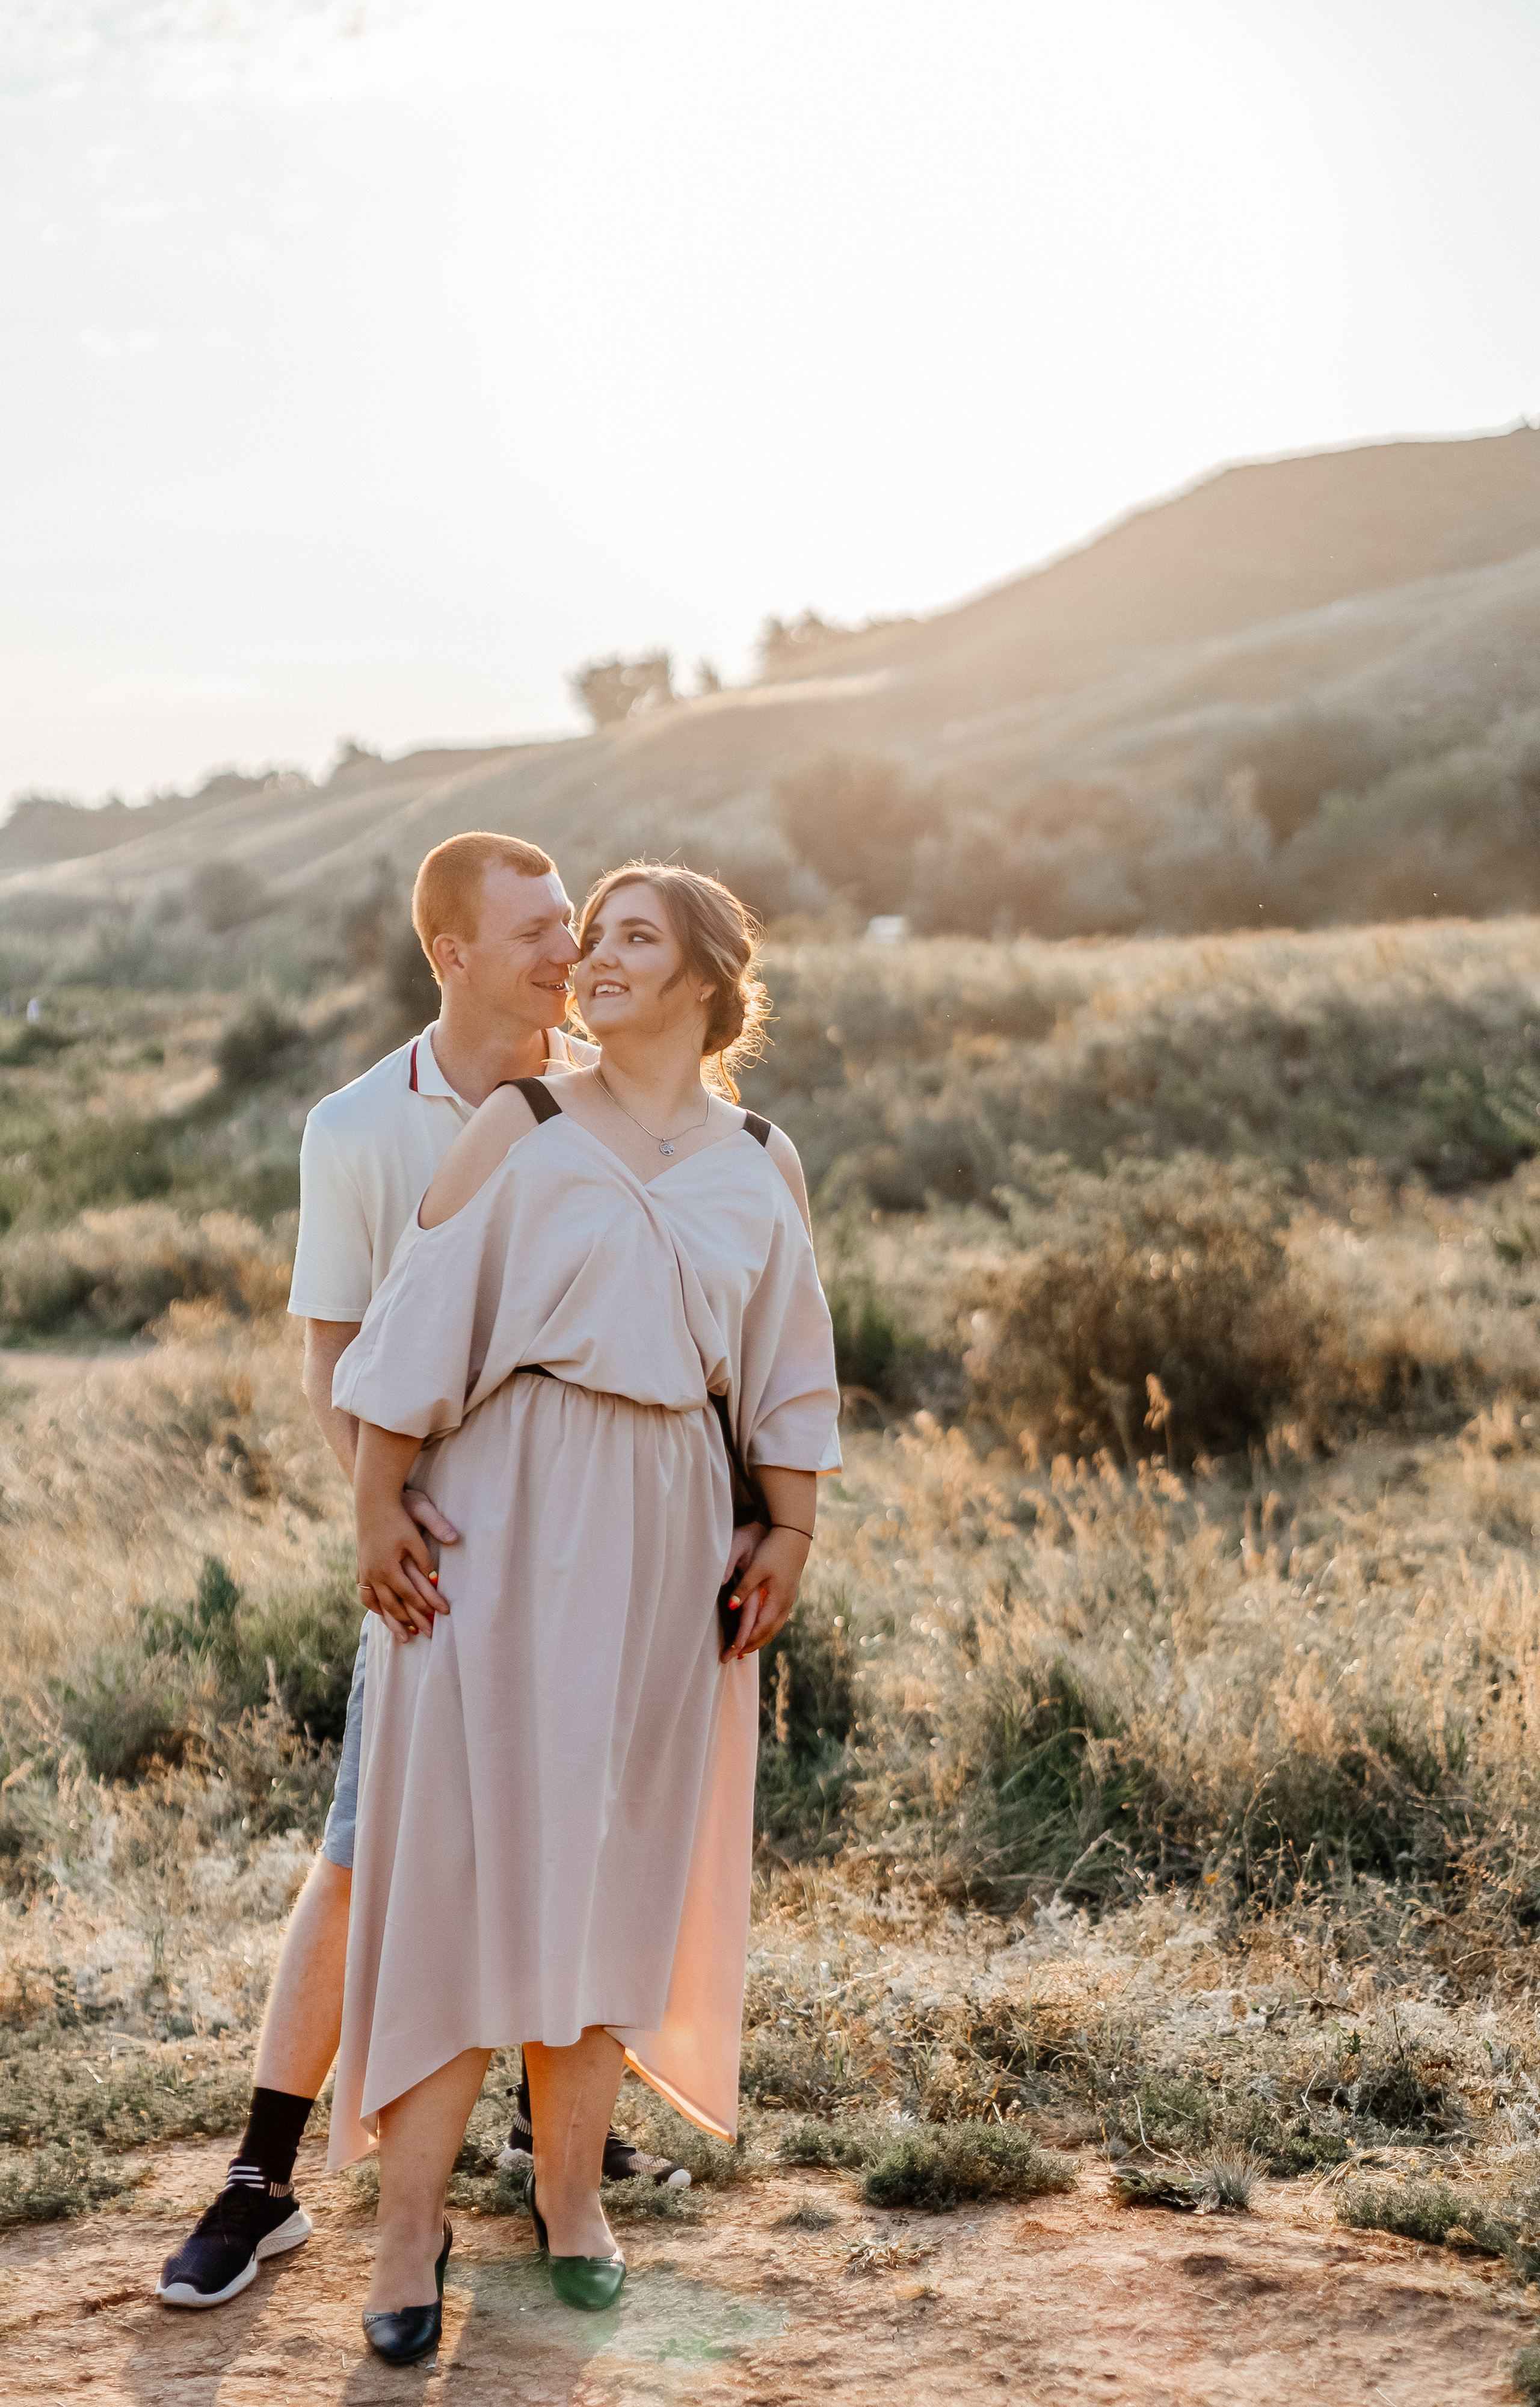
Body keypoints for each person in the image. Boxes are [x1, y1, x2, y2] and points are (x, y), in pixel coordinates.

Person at [155, 833, 689, 2312]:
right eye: (530, 930)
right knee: (362, 1855)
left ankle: (557, 2155)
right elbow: (333, 1342)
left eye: (568, 925)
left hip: (591, 1547)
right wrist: (376, 1516)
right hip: (440, 1555)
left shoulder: (613, 1094)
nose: (563, 953)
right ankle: (262, 2180)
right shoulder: (356, 1128)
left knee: (580, 1836)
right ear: (448, 953)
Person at [329, 864, 840, 2364]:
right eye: (587, 936)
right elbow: (419, 1320)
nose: (591, 961)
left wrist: (790, 1525)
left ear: (702, 977)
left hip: (671, 1525)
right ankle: (411, 2227)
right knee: (466, 1863)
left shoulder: (761, 1159)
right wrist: (375, 1503)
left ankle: (570, 2201)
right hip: (504, 1509)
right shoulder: (525, 1124)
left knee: (616, 1856)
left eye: (629, 939)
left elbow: (789, 1362)